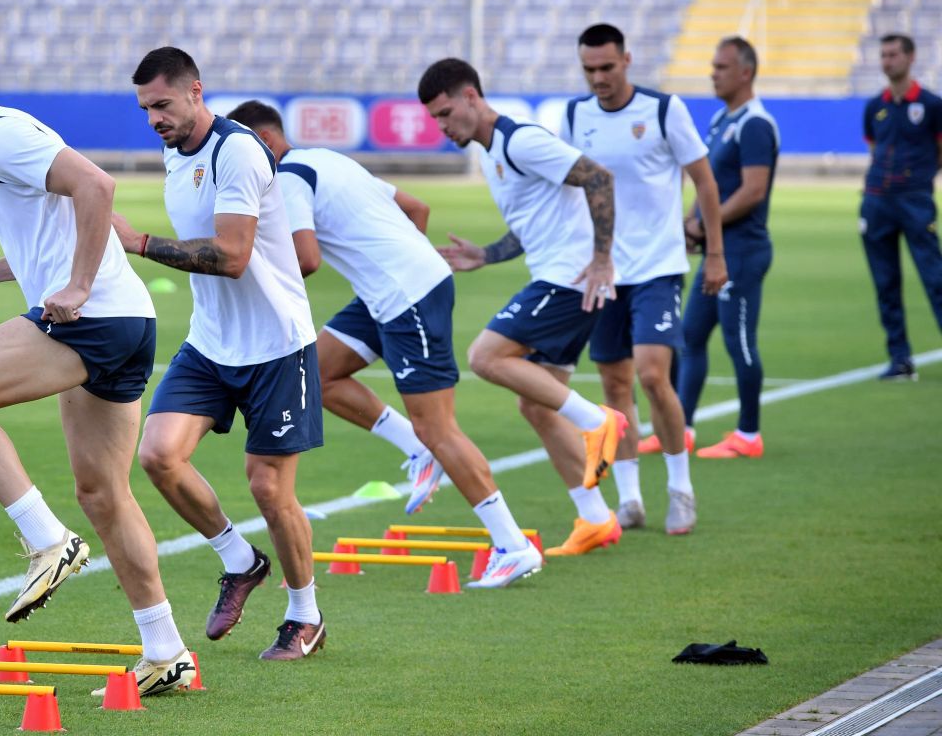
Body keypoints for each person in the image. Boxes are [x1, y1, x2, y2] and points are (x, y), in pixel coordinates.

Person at [0, 15, 194, 695]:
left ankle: (45, 541)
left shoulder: (0, 136)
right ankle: (166, 650)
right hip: (127, 324)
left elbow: (97, 188)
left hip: (94, 319)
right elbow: (53, 234)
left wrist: (80, 286)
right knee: (104, 494)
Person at [227, 100, 542, 589]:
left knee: (440, 428)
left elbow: (305, 259)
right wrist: (393, 264)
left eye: (239, 150)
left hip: (405, 297)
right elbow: (417, 208)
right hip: (394, 292)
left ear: (262, 142)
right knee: (321, 372)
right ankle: (416, 449)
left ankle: (512, 545)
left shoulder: (288, 178)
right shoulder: (330, 159)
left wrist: (244, 276)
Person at [112, 47, 325, 660]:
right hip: (211, 343)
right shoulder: (173, 154)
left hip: (278, 346)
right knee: (157, 456)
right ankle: (240, 559)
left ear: (196, 92)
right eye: (146, 108)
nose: (154, 118)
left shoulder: (236, 150)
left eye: (164, 105)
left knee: (269, 490)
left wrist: (143, 243)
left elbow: (232, 257)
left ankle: (305, 615)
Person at [421, 58, 628, 563]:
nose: (444, 127)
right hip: (561, 277)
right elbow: (532, 224)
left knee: (486, 357)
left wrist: (601, 260)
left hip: (572, 278)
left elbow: (598, 179)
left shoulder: (520, 141)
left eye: (447, 113)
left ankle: (597, 419)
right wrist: (486, 254)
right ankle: (596, 518)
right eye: (436, 119)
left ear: (471, 96)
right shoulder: (493, 153)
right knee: (536, 404)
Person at [556, 23, 727, 536]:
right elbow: (567, 189)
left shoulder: (661, 110)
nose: (598, 78)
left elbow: (705, 181)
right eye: (589, 69)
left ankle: (681, 489)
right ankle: (630, 498)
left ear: (627, 60)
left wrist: (714, 254)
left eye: (607, 67)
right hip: (604, 269)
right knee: (614, 385)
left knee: (653, 376)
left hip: (657, 266)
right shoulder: (574, 115)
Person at [675, 36, 779, 459]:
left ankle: (749, 435)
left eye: (721, 67)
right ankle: (679, 428)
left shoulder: (755, 124)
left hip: (742, 251)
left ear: (745, 72)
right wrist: (692, 221)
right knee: (690, 336)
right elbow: (709, 184)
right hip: (719, 247)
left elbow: (753, 191)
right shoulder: (722, 119)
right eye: (713, 66)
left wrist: (703, 223)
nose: (713, 73)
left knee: (738, 341)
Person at [859, 33, 942, 380]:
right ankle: (900, 359)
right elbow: (874, 148)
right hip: (877, 201)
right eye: (883, 55)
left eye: (893, 54)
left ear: (910, 58)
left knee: (935, 278)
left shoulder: (931, 105)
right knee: (885, 283)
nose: (886, 61)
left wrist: (919, 180)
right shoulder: (874, 107)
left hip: (914, 200)